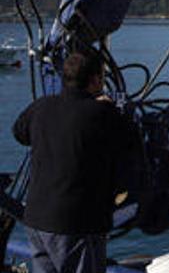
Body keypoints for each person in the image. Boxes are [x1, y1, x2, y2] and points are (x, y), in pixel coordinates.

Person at [13, 51, 136, 273]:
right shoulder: (102, 114)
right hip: (75, 225)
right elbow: (130, 144)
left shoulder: (42, 106)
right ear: (96, 80)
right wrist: (111, 108)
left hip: (36, 220)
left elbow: (19, 133)